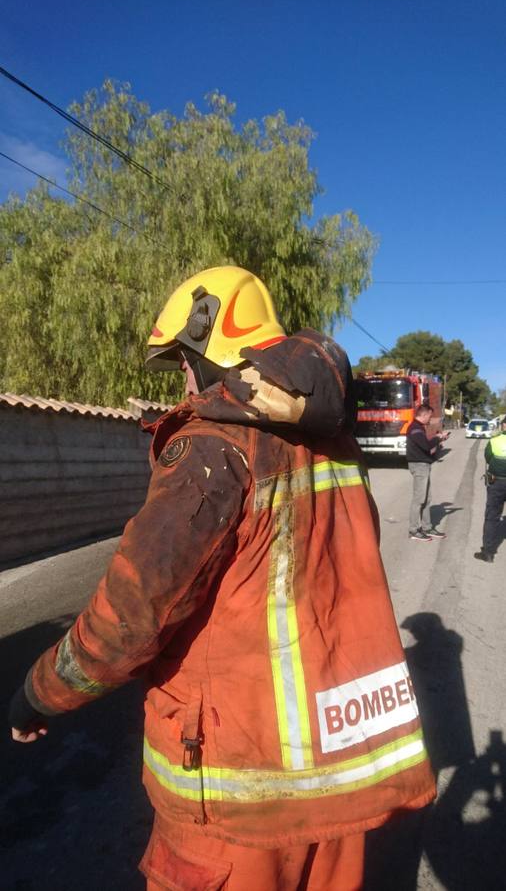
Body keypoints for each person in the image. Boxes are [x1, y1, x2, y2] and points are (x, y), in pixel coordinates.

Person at [9, 266, 435, 890]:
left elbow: (134, 611)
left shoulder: (213, 445)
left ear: (211, 344)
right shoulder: (335, 441)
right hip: (337, 777)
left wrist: (41, 691)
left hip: (240, 794)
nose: (182, 377)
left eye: (184, 359)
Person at [406, 404, 449, 541]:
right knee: (419, 499)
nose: (430, 419)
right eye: (429, 416)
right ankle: (413, 530)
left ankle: (427, 527)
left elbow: (426, 447)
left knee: (426, 499)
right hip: (419, 466)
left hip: (423, 465)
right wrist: (438, 438)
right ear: (423, 415)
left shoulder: (418, 428)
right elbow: (426, 445)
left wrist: (439, 439)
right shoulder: (415, 428)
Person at [474, 414, 506, 563]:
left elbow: (488, 458)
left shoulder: (494, 441)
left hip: (497, 483)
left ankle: (488, 552)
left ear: (503, 426)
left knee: (492, 517)